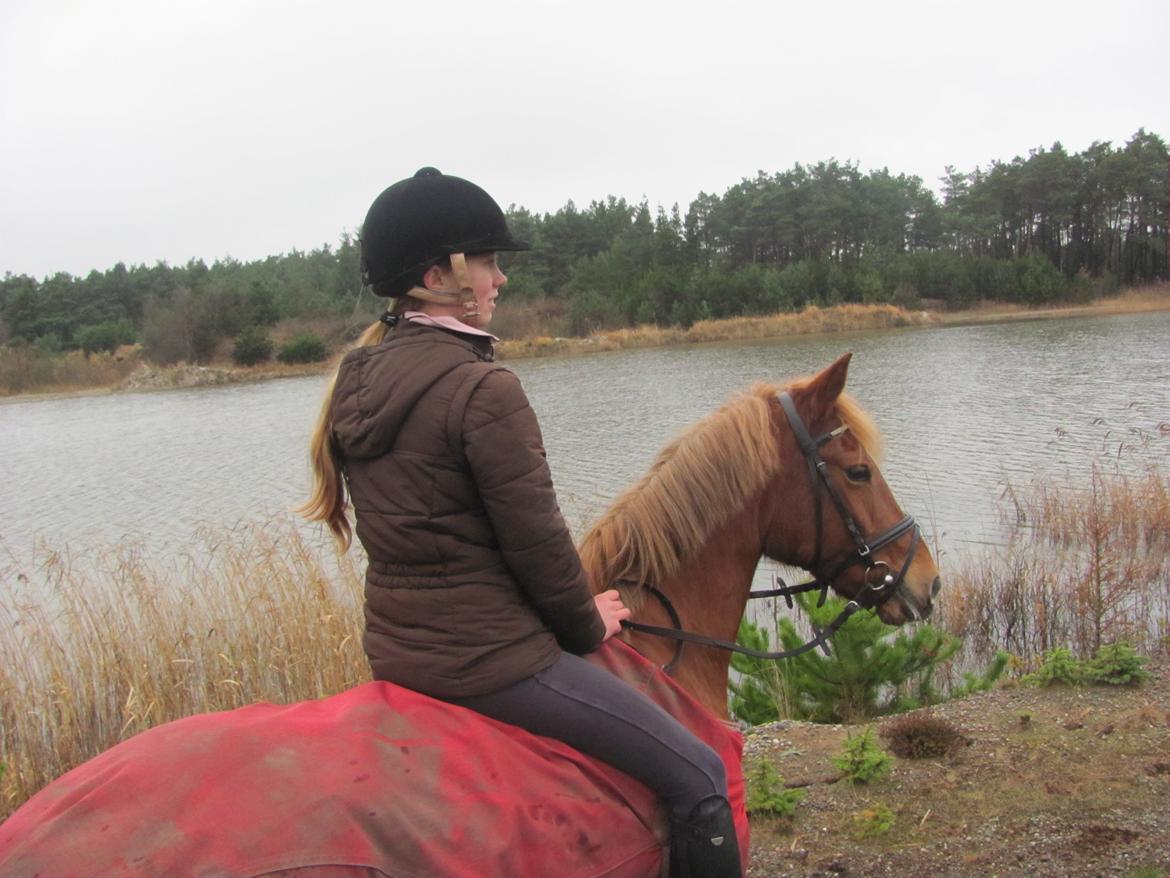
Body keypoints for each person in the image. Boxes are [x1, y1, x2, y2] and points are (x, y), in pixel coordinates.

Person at [300, 167, 742, 878]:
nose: (500, 279)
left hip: (399, 649)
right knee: (699, 775)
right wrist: (585, 624)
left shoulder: (359, 377)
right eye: (488, 262)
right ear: (440, 274)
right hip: (491, 663)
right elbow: (538, 548)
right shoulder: (482, 388)